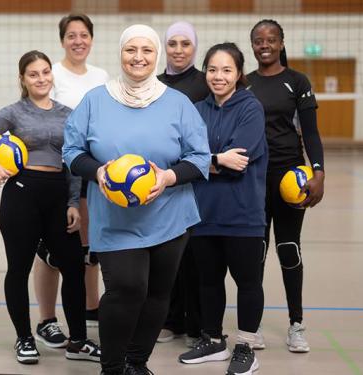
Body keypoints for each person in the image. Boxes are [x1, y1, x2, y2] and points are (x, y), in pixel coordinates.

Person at [63, 24, 211, 375]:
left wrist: (168, 177)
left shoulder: (177, 103)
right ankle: (112, 367)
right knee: (126, 289)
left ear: (155, 55)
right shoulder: (95, 100)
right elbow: (71, 151)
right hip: (115, 218)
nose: (138, 57)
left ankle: (137, 362)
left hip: (170, 214)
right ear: (120, 53)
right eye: (131, 50)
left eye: (146, 50)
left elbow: (200, 157)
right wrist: (98, 172)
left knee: (159, 293)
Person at [0, 50, 100, 364]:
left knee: (72, 266)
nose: (41, 79)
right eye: (33, 74)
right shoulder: (13, 112)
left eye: (45, 72)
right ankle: (24, 339)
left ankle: (78, 342)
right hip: (22, 195)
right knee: (18, 268)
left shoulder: (68, 113)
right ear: (23, 80)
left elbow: (73, 162)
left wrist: (72, 203)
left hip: (58, 198)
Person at [177, 42, 267, 375]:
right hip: (204, 213)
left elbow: (238, 162)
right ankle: (213, 339)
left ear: (239, 74)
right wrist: (213, 159)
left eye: (226, 70)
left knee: (248, 282)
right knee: (209, 282)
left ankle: (245, 346)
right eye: (213, 69)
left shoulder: (250, 108)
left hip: (243, 214)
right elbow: (184, 157)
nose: (218, 76)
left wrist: (204, 162)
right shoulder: (197, 109)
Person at [247, 19, 325, 353]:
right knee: (255, 252)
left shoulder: (297, 82)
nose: (265, 45)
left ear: (281, 43)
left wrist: (318, 172)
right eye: (258, 40)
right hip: (253, 178)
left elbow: (310, 132)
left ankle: (296, 324)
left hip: (290, 178)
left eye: (271, 39)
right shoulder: (244, 82)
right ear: (252, 45)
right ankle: (254, 325)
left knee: (288, 249)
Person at [33, 13, 110, 350]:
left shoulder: (102, 76)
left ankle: (91, 308)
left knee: (87, 246)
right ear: (62, 40)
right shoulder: (54, 74)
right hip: (59, 170)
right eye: (71, 35)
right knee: (51, 248)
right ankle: (46, 320)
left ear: (92, 39)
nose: (78, 41)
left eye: (84, 35)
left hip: (93, 168)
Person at [156, 21, 209, 347]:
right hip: (160, 181)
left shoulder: (205, 83)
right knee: (167, 255)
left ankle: (196, 325)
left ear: (194, 48)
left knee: (195, 258)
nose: (178, 50)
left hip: (193, 178)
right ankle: (170, 320)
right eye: (172, 43)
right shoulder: (155, 83)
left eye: (185, 44)